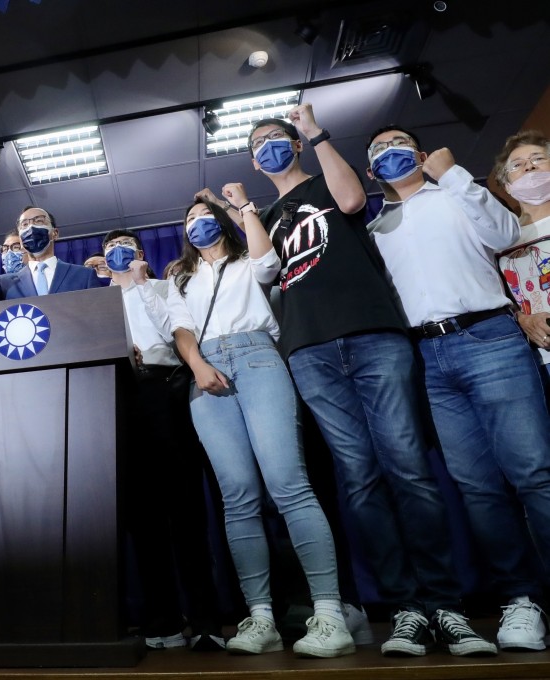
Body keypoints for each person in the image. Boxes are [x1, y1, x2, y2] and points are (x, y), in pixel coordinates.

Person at [247, 105, 489, 657]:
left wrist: (315, 133)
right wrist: (244, 211)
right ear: (255, 162)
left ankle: (446, 606)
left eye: (276, 138)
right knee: (359, 479)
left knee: (409, 469)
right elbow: (264, 272)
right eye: (258, 144)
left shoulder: (327, 181)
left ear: (296, 144)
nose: (268, 147)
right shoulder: (268, 214)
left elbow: (354, 202)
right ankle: (405, 609)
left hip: (373, 335)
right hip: (309, 351)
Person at [366, 124, 550, 651]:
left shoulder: (454, 194)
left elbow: (505, 234)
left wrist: (453, 176)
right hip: (425, 356)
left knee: (533, 471)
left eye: (398, 144)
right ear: (371, 170)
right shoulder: (375, 230)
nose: (389, 152)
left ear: (421, 154)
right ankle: (520, 598)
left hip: (489, 337)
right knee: (477, 486)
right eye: (377, 150)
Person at [167, 193, 354, 658]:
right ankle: (261, 617)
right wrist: (197, 366)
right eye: (190, 218)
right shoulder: (181, 276)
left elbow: (269, 266)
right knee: (238, 496)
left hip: (257, 357)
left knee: (289, 484)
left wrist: (242, 209)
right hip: (205, 371)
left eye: (205, 215)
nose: (198, 222)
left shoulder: (246, 258)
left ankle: (329, 613)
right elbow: (180, 327)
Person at [102, 229, 225, 651]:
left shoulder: (161, 286)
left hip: (164, 388)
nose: (117, 252)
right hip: (118, 397)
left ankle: (206, 619)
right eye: (110, 248)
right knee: (141, 515)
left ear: (140, 253)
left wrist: (140, 282)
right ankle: (164, 620)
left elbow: (175, 331)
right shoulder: (98, 299)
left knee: (184, 506)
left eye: (125, 247)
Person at [0, 206, 102, 304]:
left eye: (38, 221)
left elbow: (100, 317)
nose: (31, 228)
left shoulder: (84, 276)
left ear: (55, 233)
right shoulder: (4, 283)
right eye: (24, 225)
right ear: (21, 239)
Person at [494, 131, 550, 378]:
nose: (529, 166)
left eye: (538, 158)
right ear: (507, 186)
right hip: (540, 359)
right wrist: (523, 320)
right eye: (517, 165)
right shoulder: (499, 242)